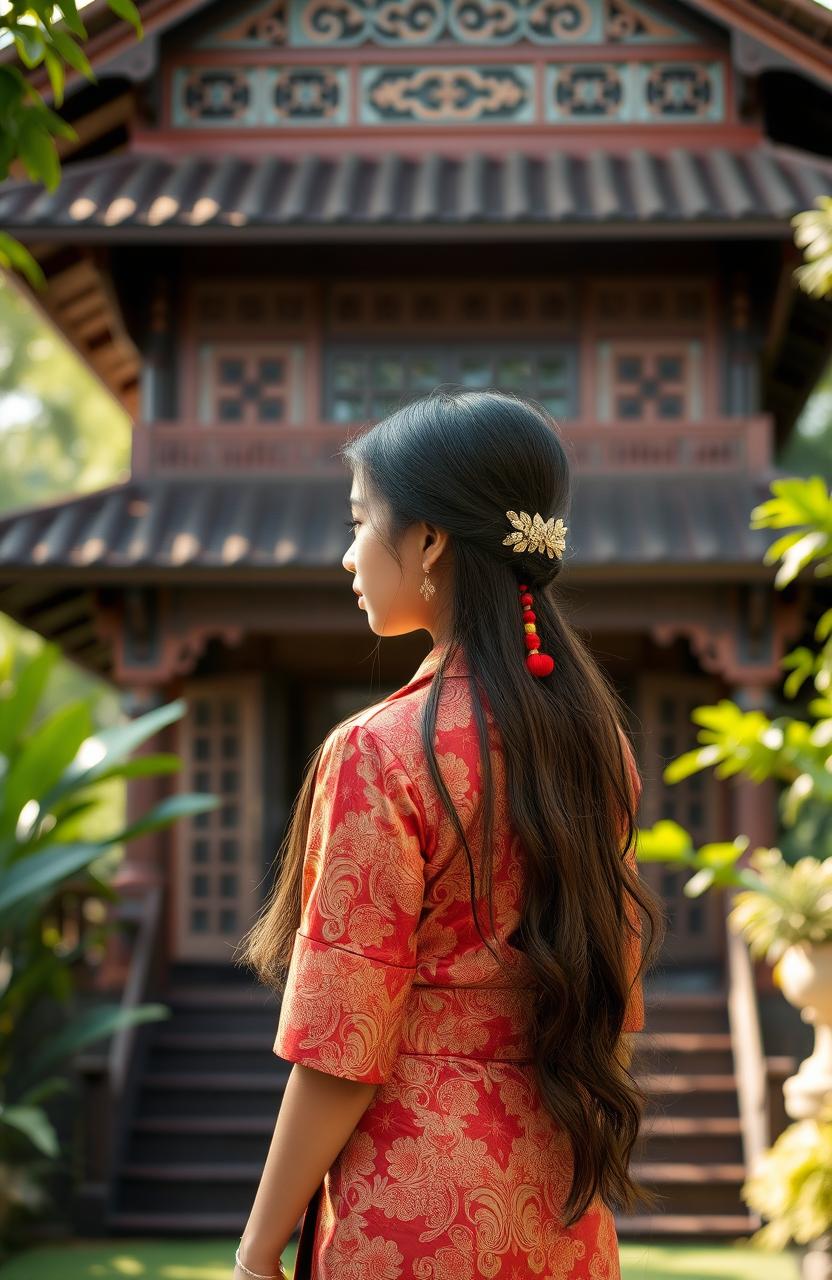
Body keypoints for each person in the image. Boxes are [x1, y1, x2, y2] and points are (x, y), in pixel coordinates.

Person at [233, 389, 666, 1280]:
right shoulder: (596, 745)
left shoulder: (381, 752)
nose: (348, 556)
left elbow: (342, 1046)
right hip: (557, 1200)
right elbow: (611, 989)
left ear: (429, 541)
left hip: (408, 1206)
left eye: (360, 523)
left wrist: (255, 1247)